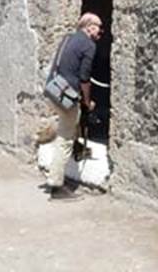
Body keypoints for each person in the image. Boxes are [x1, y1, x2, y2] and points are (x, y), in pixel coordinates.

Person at [46, 12, 103, 201]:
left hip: (54, 90)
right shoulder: (88, 45)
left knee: (68, 129)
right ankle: (56, 185)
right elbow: (85, 77)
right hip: (67, 96)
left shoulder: (68, 38)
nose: (100, 32)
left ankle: (73, 156)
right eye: (98, 28)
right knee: (64, 139)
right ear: (89, 26)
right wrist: (87, 101)